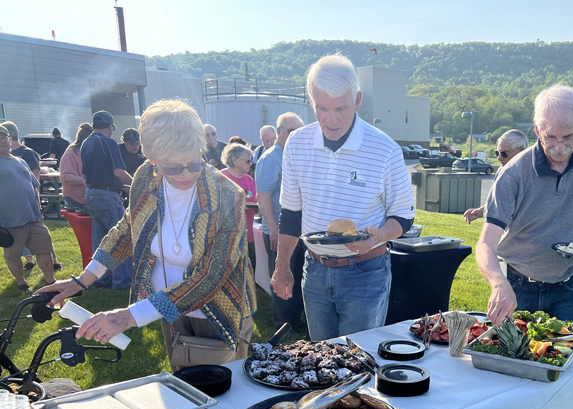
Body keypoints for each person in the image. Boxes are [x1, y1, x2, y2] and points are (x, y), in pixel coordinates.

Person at [40, 100, 256, 371]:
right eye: (173, 168)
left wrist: (129, 316)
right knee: (184, 376)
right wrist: (83, 280)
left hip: (216, 310)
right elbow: (129, 229)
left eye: (193, 163)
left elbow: (212, 275)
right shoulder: (146, 177)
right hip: (164, 302)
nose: (186, 174)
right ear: (152, 160)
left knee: (220, 387)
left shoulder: (228, 196)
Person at [271, 55, 415, 341]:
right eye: (321, 108)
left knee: (359, 362)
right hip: (315, 270)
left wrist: (378, 236)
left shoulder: (385, 149)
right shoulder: (297, 143)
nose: (331, 119)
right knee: (322, 362)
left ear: (358, 100)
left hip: (366, 272)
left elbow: (403, 216)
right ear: (310, 100)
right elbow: (290, 214)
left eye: (341, 108)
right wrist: (281, 266)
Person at [476, 85, 573, 325]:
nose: (559, 147)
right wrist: (499, 284)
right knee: (513, 360)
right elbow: (485, 243)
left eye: (568, 137)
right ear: (537, 128)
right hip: (518, 285)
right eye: (550, 136)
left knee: (566, 360)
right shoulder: (514, 173)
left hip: (568, 287)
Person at [255, 112, 305, 331]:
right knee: (282, 274)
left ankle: (295, 321)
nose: (297, 136)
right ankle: (282, 324)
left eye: (299, 131)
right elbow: (263, 197)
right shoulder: (270, 159)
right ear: (279, 132)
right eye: (292, 131)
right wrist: (274, 229)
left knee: (297, 274)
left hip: (298, 230)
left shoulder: (295, 154)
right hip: (279, 230)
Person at [0, 125, 57, 291]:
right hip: (9, 220)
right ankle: (21, 282)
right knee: (13, 254)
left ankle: (50, 280)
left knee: (44, 249)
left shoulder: (21, 161)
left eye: (4, 138)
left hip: (34, 217)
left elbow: (34, 187)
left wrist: (39, 211)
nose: (2, 142)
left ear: (10, 140)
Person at [81, 110, 133, 289]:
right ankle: (122, 282)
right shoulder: (109, 142)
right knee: (120, 239)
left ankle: (99, 279)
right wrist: (135, 184)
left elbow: (88, 174)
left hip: (91, 193)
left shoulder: (85, 143)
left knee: (100, 240)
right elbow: (118, 172)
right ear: (110, 126)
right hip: (107, 196)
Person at [463, 129, 529, 224]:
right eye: (497, 153)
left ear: (521, 150)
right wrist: (479, 212)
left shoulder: (533, 175)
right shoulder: (502, 171)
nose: (499, 158)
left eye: (504, 153)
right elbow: (499, 203)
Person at [59, 122, 92, 210]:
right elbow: (66, 176)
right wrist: (84, 180)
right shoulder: (71, 153)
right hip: (74, 198)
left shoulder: (91, 151)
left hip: (89, 197)